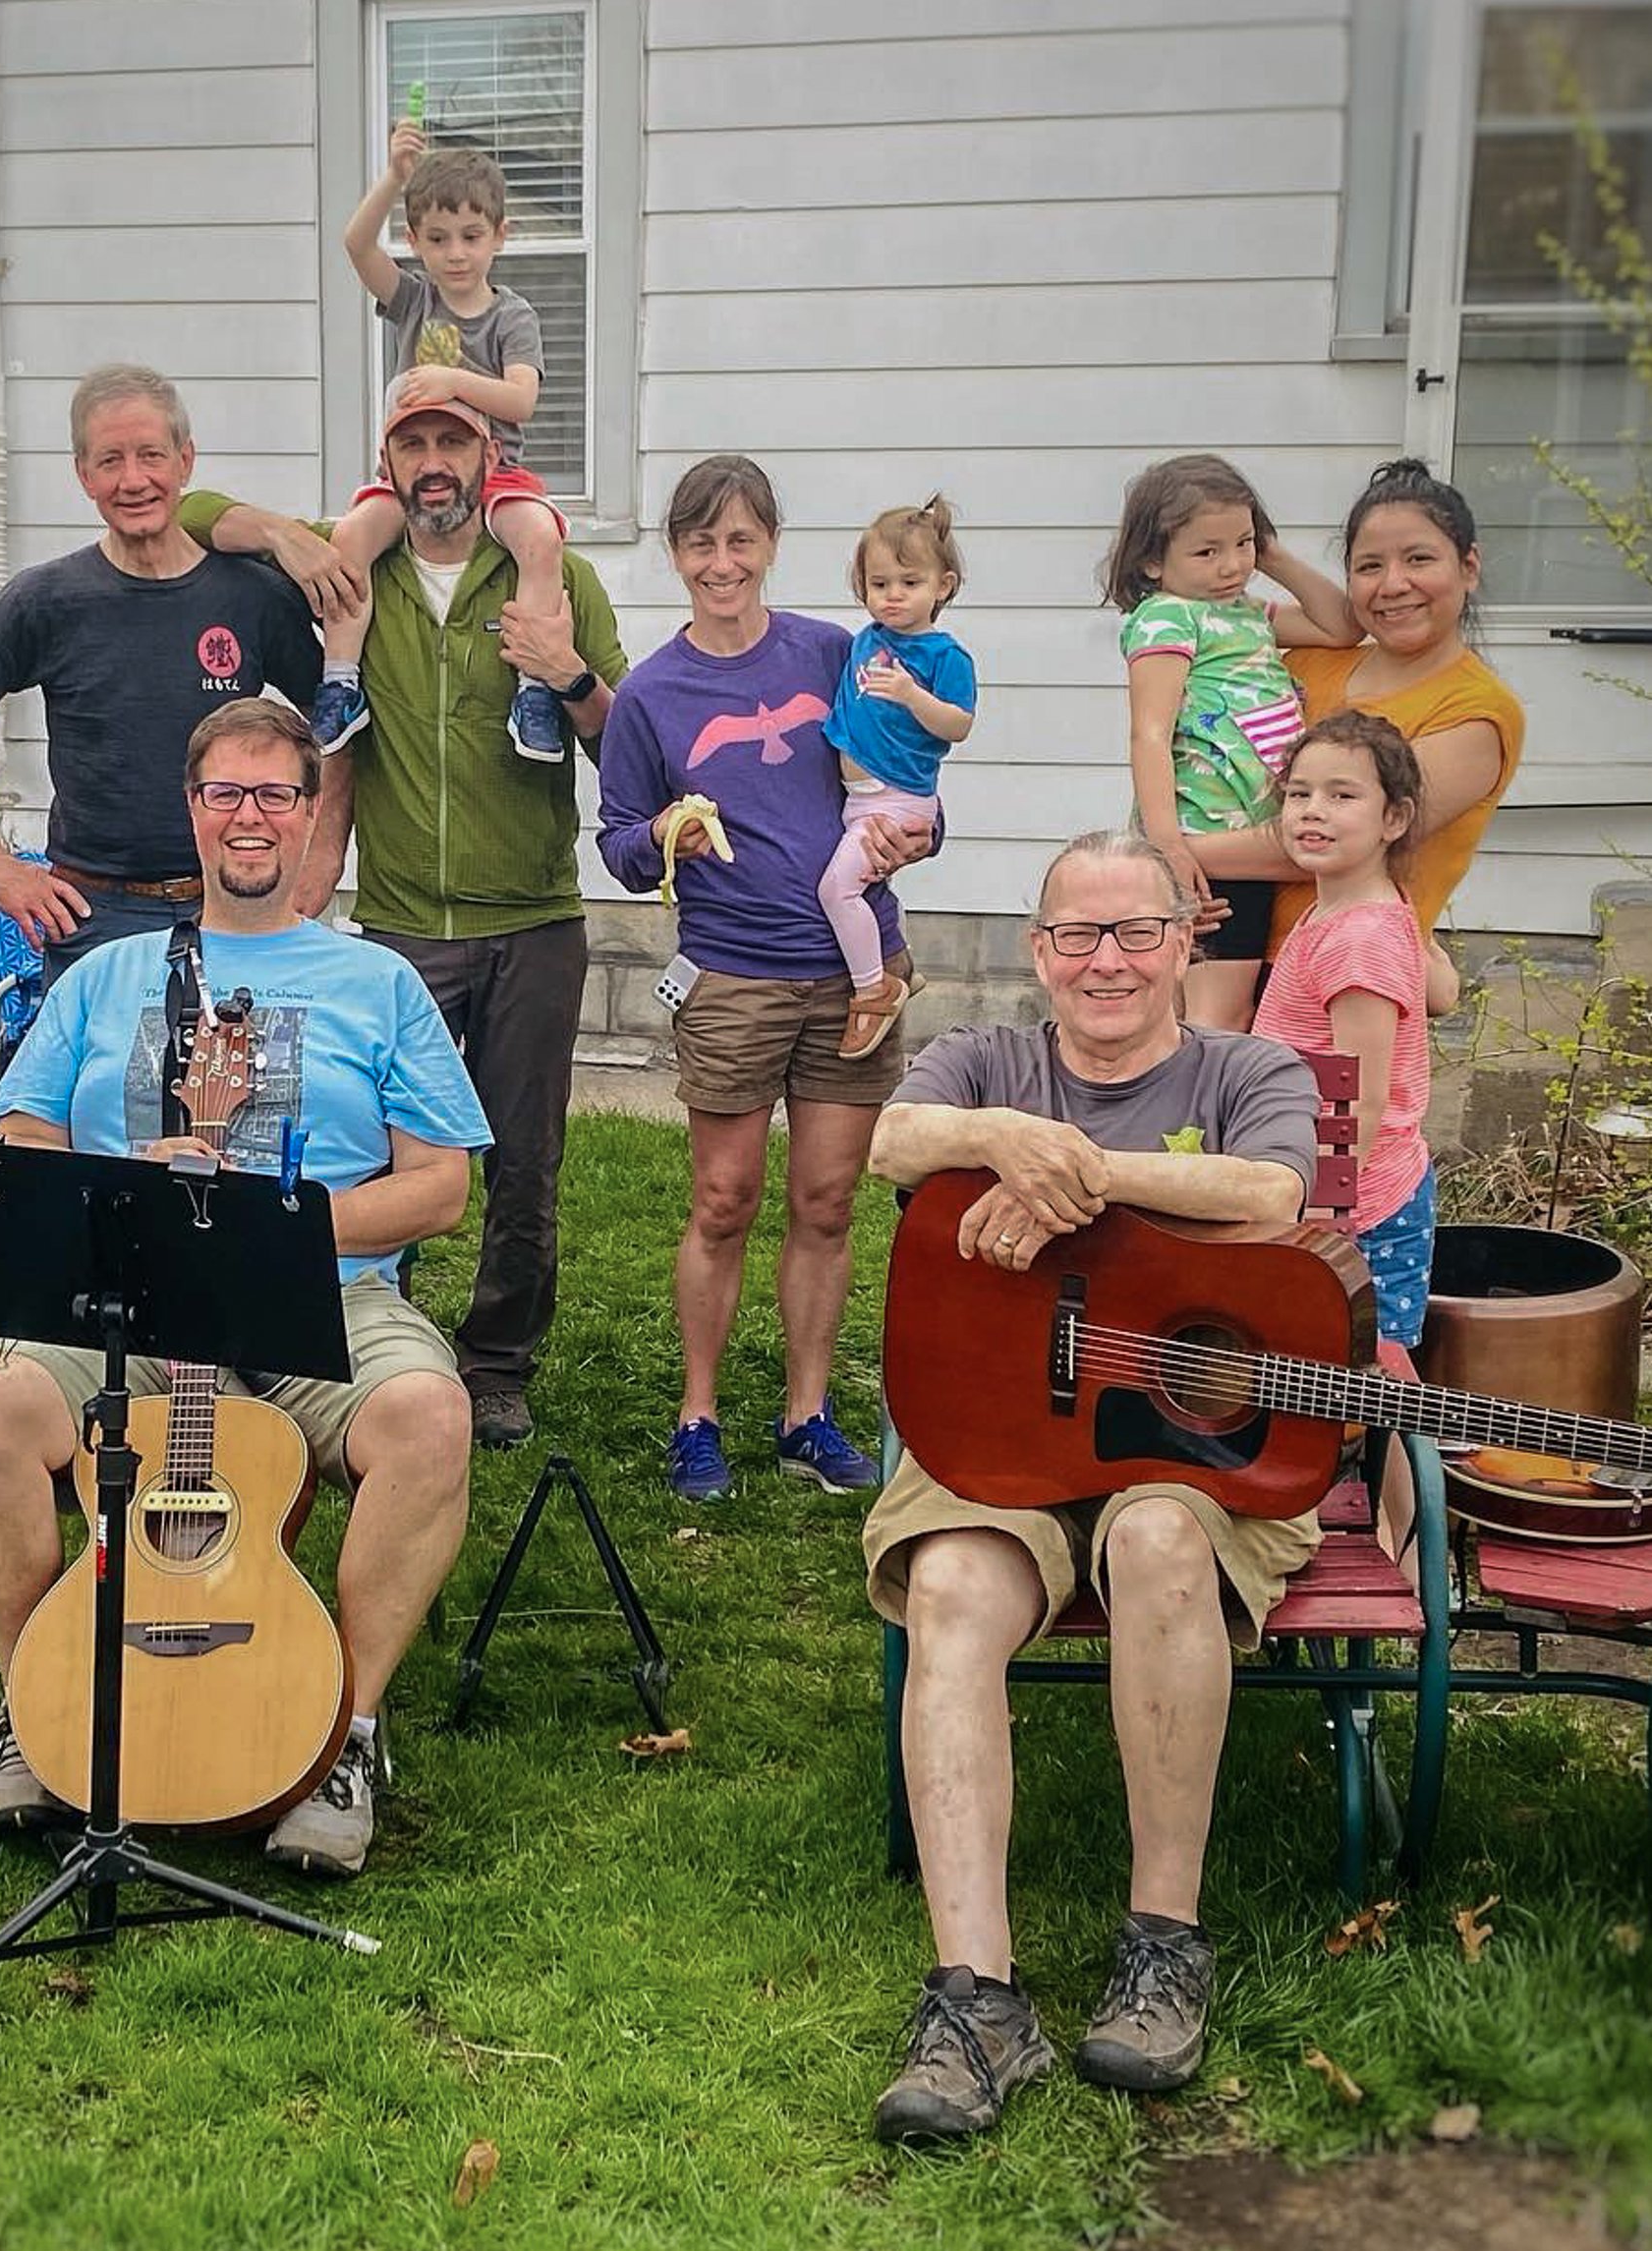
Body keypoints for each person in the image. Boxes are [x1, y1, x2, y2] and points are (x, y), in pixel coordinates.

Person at [0, 698, 490, 1879]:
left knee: (430, 1417)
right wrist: (120, 1187)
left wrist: (276, 1228)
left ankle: (345, 1732)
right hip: (121, 1297)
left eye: (275, 794)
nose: (250, 817)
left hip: (320, 1295)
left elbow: (439, 1185)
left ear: (309, 813)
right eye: (227, 793)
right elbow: (22, 1130)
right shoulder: (106, 974)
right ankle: (38, 1708)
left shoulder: (377, 981)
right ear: (192, 811)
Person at [863, 828, 1321, 2143]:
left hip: (1188, 1454)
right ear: (1036, 951)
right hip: (997, 1440)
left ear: (1187, 939)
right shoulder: (987, 1062)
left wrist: (1086, 1181)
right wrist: (1008, 1135)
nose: (1106, 960)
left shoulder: (1250, 1067)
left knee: (1165, 1539)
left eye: (1136, 932)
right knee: (951, 1578)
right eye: (1077, 934)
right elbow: (893, 1138)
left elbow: (1271, 1192)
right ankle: (975, 2002)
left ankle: (1164, 1941)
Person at [176, 393, 628, 1453]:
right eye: (413, 444)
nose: (434, 463)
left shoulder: (554, 577)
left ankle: (499, 1363)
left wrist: (564, 672)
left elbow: (624, 739)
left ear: (488, 456)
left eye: (452, 443)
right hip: (399, 924)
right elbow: (193, 508)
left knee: (524, 1158)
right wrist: (289, 533)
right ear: (387, 461)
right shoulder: (351, 572)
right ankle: (389, 1336)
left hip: (532, 916)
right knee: (387, 1152)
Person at [594, 456, 931, 1504]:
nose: (720, 562)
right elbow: (616, 840)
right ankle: (696, 1415)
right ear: (676, 553)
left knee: (827, 1201)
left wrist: (915, 839)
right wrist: (659, 832)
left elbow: (909, 774)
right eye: (700, 542)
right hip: (732, 975)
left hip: (854, 972)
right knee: (723, 1196)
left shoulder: (835, 652)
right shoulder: (651, 693)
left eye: (740, 540)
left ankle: (806, 1415)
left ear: (771, 544)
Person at [0, 366, 322, 974]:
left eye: (151, 456)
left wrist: (315, 860)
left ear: (185, 462)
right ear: (83, 473)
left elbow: (341, 730)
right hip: (95, 920)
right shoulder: (45, 600)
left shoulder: (252, 598)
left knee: (241, 1074)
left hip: (235, 908)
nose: (133, 480)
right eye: (110, 461)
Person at [1184, 459, 1525, 976]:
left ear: (1469, 567)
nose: (1393, 585)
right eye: (1369, 567)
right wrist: (1251, 545)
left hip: (1341, 980)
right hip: (1220, 955)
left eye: (1418, 559)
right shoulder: (1306, 662)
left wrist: (1173, 854)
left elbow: (1329, 839)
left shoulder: (1476, 713)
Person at [315, 123, 571, 760]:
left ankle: (533, 688)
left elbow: (522, 400)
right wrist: (396, 178)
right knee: (349, 537)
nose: (455, 254)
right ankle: (340, 685)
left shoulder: (512, 316)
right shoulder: (414, 300)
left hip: (497, 475)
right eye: (436, 239)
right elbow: (354, 243)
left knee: (539, 538)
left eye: (471, 237)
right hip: (410, 475)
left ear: (500, 237)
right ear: (414, 242)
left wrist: (453, 378)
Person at [1252, 711, 1437, 1555]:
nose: (1311, 812)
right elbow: (1440, 992)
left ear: (1395, 819)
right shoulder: (1357, 911)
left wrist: (1327, 1213)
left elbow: (1355, 1094)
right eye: (1298, 794)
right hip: (1338, 1190)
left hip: (1360, 1202)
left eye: (1342, 795)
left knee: (1383, 1376)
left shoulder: (1358, 936)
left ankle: (1408, 1553)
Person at [1101, 454, 1356, 1029]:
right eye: (1206, 551)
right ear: (1151, 560)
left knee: (1221, 1009)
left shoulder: (1249, 614)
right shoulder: (1167, 616)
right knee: (1214, 1014)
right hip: (1203, 839)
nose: (1231, 565)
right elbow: (1149, 732)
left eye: (1242, 545)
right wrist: (1168, 843)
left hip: (1247, 832)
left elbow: (1342, 626)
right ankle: (1188, 1117)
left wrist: (1276, 556)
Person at [817, 496, 975, 1060]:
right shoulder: (866, 640)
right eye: (879, 582)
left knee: (836, 890)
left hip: (899, 800)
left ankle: (873, 990)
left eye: (910, 582)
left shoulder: (944, 655)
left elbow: (959, 725)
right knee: (867, 887)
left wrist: (912, 695)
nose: (893, 595)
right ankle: (896, 958)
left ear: (943, 585)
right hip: (859, 800)